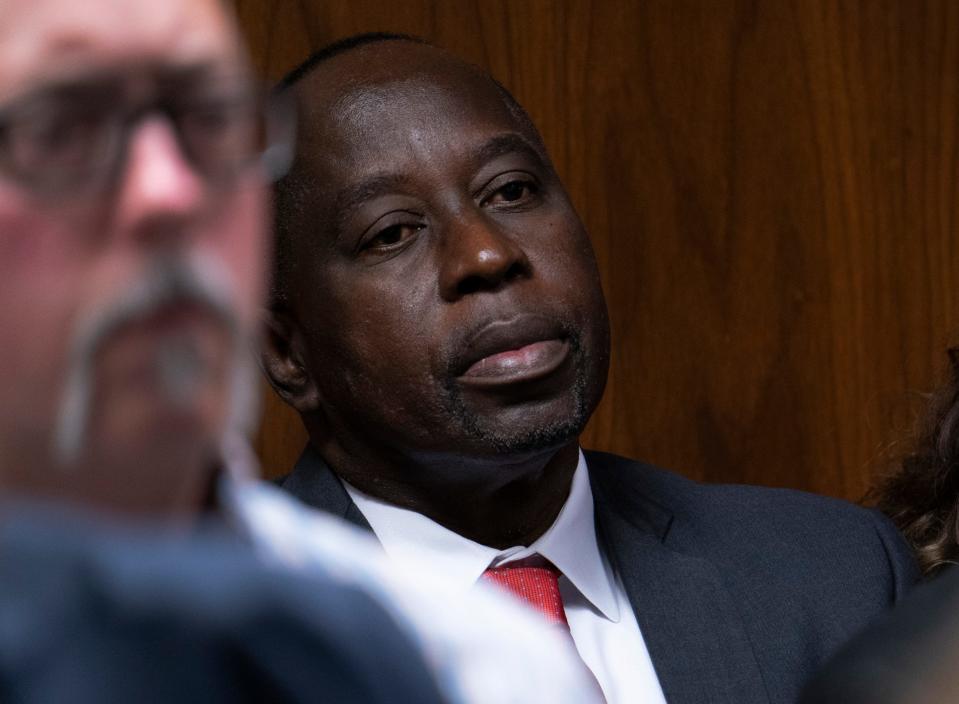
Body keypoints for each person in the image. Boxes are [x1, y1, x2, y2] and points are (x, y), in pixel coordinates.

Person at [263, 33, 921, 704]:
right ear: (287, 350)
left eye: (510, 191)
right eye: (392, 232)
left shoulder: (834, 577)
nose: (487, 255)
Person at [0, 5, 596, 702]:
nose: (170, 190)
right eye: (64, 128)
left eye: (208, 119)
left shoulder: (478, 662)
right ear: (284, 347)